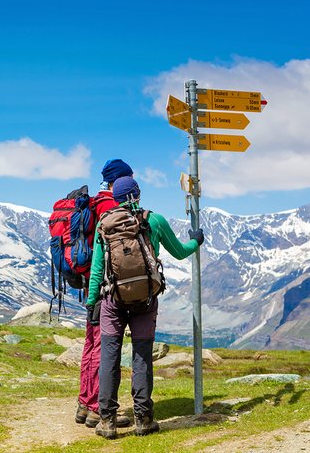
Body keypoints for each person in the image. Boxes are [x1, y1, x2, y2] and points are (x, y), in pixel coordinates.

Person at [85, 176, 205, 439]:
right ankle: (144, 419)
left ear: (115, 198)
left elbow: (97, 270)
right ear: (137, 194)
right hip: (146, 301)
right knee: (141, 357)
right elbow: (181, 251)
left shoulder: (105, 225)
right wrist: (196, 240)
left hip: (112, 302)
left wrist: (92, 302)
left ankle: (107, 421)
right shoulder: (155, 220)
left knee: (109, 358)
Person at [75, 159, 134, 429]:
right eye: (127, 178)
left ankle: (85, 404)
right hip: (103, 286)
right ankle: (99, 408)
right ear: (117, 181)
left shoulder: (94, 203)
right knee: (102, 344)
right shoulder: (111, 207)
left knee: (90, 342)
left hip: (89, 284)